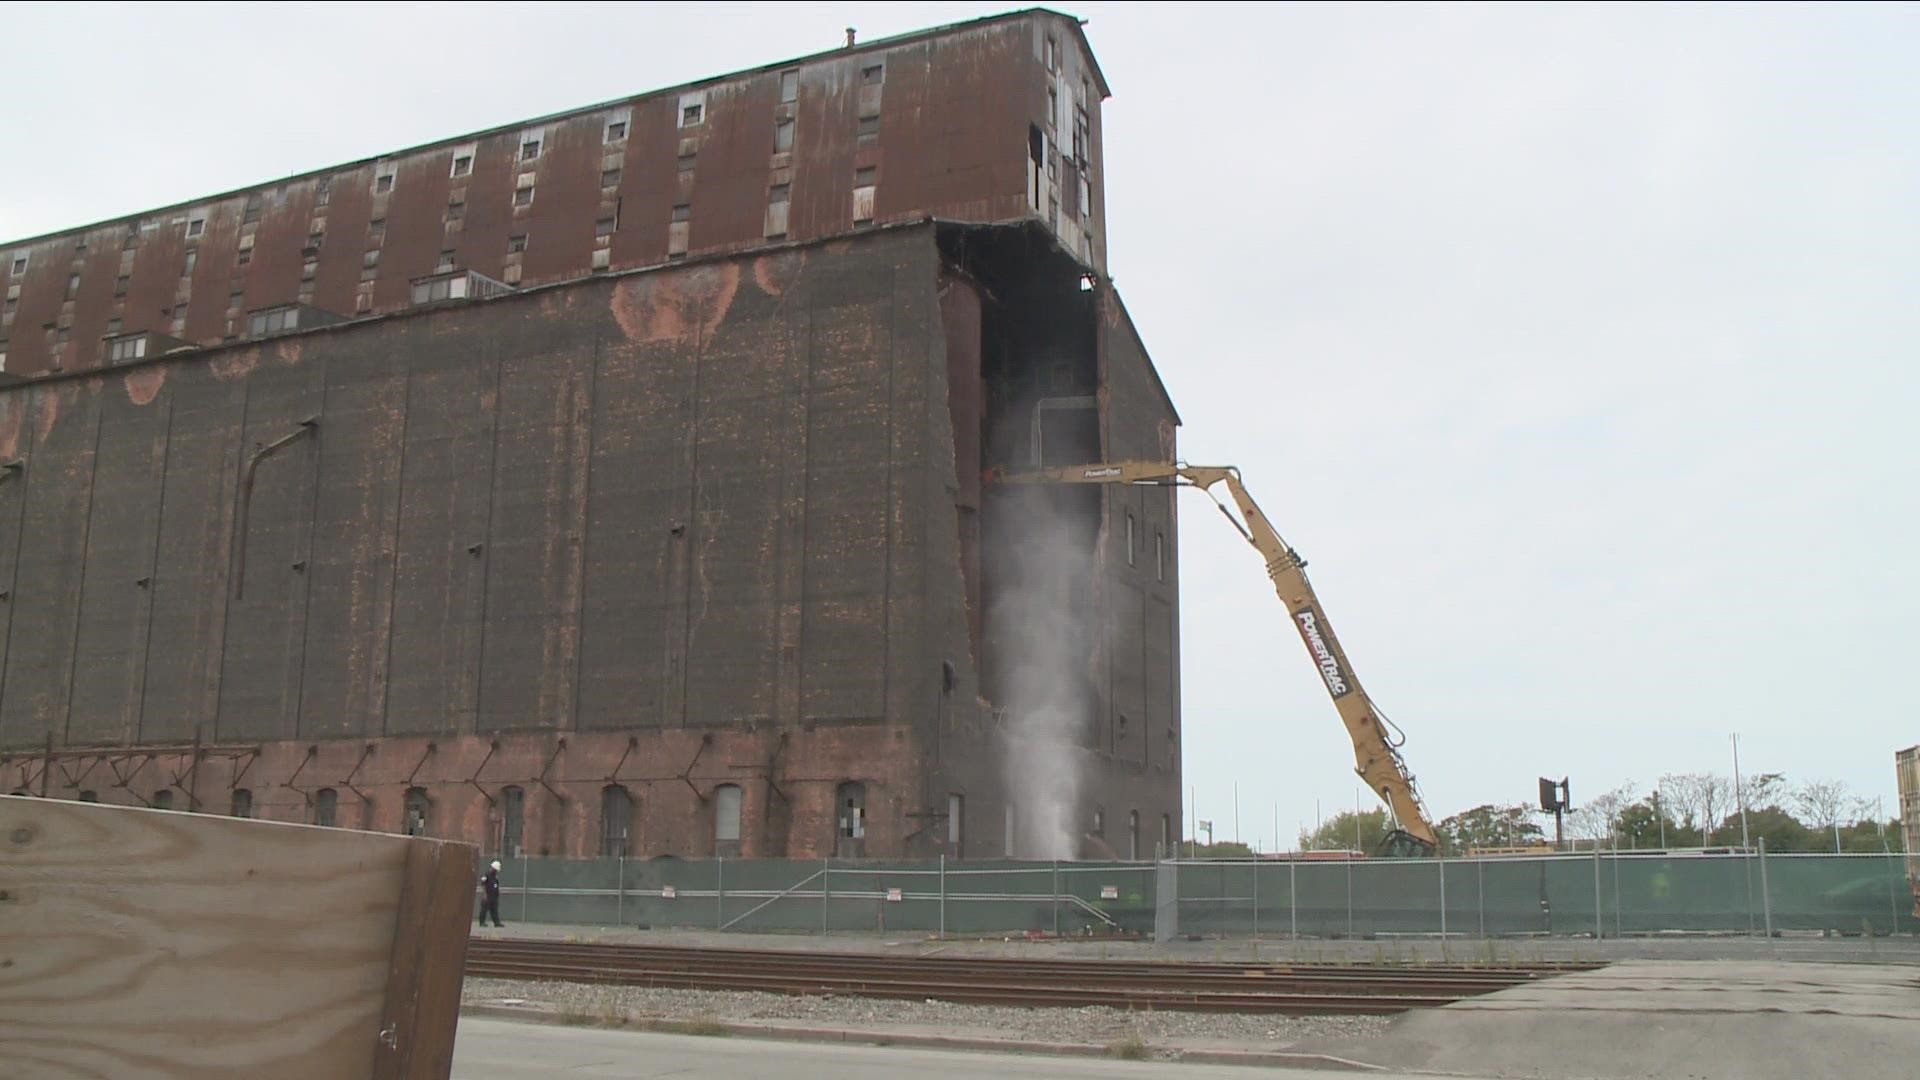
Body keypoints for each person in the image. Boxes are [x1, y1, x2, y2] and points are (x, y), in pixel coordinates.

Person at [478, 860, 504, 928]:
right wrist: (484, 894)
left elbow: (495, 885)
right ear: (493, 868)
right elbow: (483, 884)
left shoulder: (495, 876)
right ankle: (482, 922)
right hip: (487, 895)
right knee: (484, 909)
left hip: (494, 896)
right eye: (495, 870)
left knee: (494, 910)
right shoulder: (486, 875)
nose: (496, 871)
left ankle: (496, 923)